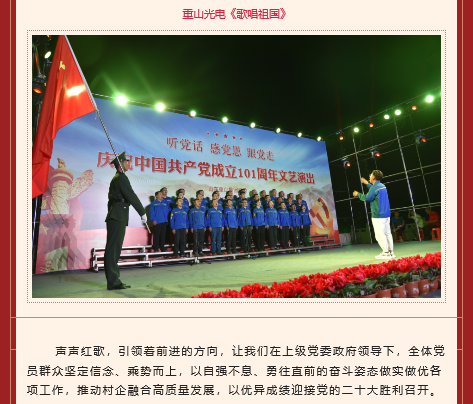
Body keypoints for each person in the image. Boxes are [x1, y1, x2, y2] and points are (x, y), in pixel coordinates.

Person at [104, 152, 146, 290]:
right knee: (113, 249)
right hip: (117, 216)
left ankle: (113, 280)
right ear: (121, 164)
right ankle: (113, 281)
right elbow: (131, 195)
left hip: (116, 215)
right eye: (126, 162)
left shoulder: (118, 178)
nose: (128, 164)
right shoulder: (121, 178)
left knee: (114, 249)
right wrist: (142, 212)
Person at [353, 170, 394, 259]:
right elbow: (373, 190)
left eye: (371, 175)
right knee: (387, 233)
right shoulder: (382, 186)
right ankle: (391, 252)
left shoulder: (375, 187)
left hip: (378, 215)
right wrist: (367, 183)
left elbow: (367, 198)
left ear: (374, 177)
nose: (369, 176)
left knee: (380, 235)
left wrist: (357, 194)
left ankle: (386, 253)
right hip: (386, 214)